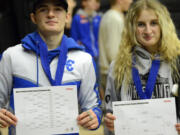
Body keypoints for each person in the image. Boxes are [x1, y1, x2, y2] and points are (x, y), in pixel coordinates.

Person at [0, 0, 102, 135]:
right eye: (43, 9)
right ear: (33, 18)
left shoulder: (83, 59)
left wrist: (94, 117)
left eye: (58, 9)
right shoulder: (11, 56)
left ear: (67, 17)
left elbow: (92, 107)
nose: (51, 14)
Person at [104, 0, 180, 134]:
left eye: (154, 23)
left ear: (164, 25)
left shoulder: (177, 62)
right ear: (132, 28)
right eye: (141, 24)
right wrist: (110, 122)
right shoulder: (118, 66)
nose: (148, 30)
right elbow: (110, 111)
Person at [98, 0, 133, 100]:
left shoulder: (113, 16)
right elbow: (113, 51)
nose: (131, 1)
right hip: (115, 74)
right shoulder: (113, 18)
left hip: (114, 72)